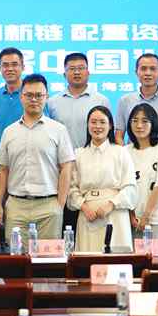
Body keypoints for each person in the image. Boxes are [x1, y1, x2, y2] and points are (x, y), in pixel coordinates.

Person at [0, 74, 74, 251]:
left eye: (39, 95)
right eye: (29, 95)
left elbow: (66, 167)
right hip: (16, 206)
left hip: (48, 206)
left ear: (46, 97)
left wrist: (59, 204)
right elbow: (3, 169)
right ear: (21, 97)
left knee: (48, 261)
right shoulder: (9, 131)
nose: (34, 99)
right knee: (17, 261)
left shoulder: (58, 130)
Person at [46, 52, 110, 233]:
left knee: (90, 221)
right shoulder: (52, 102)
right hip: (61, 170)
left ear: (88, 72)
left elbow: (106, 135)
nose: (76, 72)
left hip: (92, 169)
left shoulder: (101, 100)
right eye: (72, 69)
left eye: (81, 68)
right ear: (64, 73)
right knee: (64, 222)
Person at [68, 106, 137, 253]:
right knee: (87, 261)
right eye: (93, 122)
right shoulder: (79, 154)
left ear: (110, 125)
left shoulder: (121, 152)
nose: (97, 126)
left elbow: (130, 187)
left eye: (102, 122)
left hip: (115, 214)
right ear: (87, 125)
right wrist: (84, 207)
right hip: (88, 215)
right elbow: (72, 188)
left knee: (116, 261)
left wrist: (111, 205)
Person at [0, 47, 25, 250]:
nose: (10, 69)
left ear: (23, 66)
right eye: (5, 65)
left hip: (28, 166)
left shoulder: (31, 95)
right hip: (3, 167)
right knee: (3, 215)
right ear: (0, 68)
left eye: (14, 64)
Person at [125, 104, 158, 248]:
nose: (139, 125)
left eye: (144, 121)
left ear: (154, 124)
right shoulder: (125, 152)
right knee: (135, 261)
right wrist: (131, 216)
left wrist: (146, 217)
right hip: (133, 221)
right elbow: (124, 188)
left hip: (157, 220)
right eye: (135, 121)